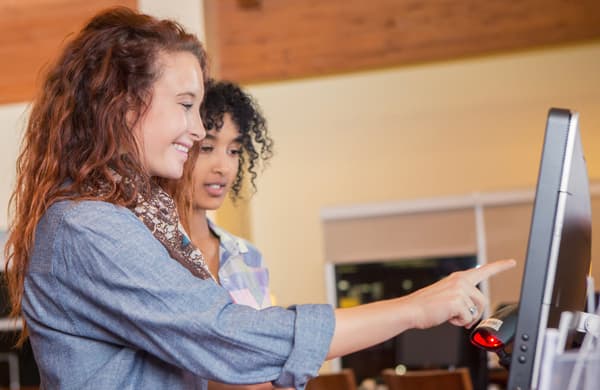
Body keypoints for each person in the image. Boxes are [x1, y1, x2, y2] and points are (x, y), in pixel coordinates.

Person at [3, 7, 515, 390]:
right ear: (121, 104)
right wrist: (414, 309)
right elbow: (227, 334)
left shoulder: (139, 219)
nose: (196, 128)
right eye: (185, 105)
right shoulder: (87, 226)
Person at [169, 79, 274, 311]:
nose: (224, 167)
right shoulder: (148, 249)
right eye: (206, 148)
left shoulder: (249, 258)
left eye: (233, 151)